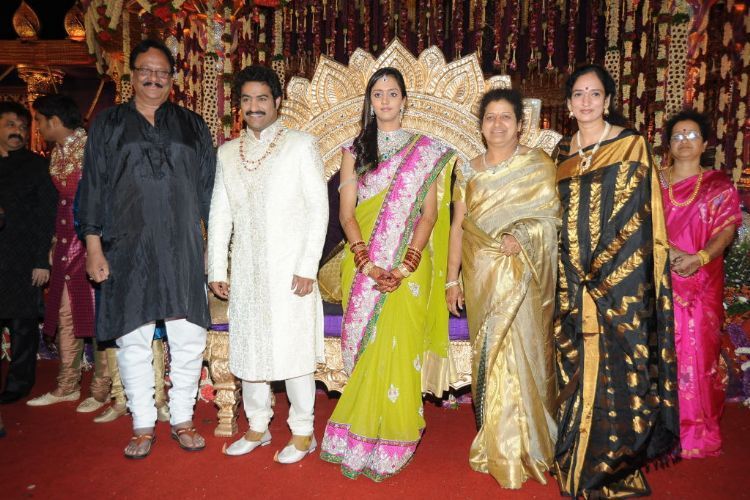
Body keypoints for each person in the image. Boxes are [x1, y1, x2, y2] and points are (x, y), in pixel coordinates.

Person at [78, 38, 216, 459]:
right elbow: (93, 187)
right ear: (133, 75)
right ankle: (141, 423)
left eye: (162, 72)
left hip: (182, 246)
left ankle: (182, 419)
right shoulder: (108, 124)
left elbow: (211, 193)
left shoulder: (193, 125)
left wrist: (213, 249)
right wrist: (93, 246)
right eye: (146, 70)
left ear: (173, 78)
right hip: (126, 246)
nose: (154, 78)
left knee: (188, 336)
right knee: (133, 338)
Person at [320, 67, 457, 481]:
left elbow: (429, 214)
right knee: (369, 349)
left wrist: (406, 264)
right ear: (370, 101)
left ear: (404, 100)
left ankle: (394, 436)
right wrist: (368, 263)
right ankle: (359, 432)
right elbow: (347, 214)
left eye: (392, 93)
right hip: (364, 264)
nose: (385, 101)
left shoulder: (426, 151)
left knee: (402, 347)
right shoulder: (353, 150)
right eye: (377, 94)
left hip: (410, 267)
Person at [552, 64, 679, 497]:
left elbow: (637, 216)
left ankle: (608, 467)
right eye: (579, 94)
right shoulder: (560, 155)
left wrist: (598, 270)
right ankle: (576, 456)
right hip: (568, 282)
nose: (586, 101)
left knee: (617, 370)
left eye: (595, 93)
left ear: (607, 101)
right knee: (574, 366)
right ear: (568, 104)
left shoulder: (630, 145)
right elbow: (553, 217)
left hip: (616, 282)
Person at [207, 65, 328, 464]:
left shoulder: (300, 145)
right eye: (246, 99)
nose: (254, 107)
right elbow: (220, 214)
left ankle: (303, 432)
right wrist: (217, 269)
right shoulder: (227, 153)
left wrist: (307, 266)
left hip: (291, 270)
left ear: (277, 102)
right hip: (247, 269)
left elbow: (318, 209)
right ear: (239, 106)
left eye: (262, 98)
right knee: (249, 349)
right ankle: (257, 426)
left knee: (294, 351)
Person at [445, 88, 560, 489]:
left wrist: (523, 234)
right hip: (482, 277)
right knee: (491, 357)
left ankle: (531, 444)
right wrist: (452, 279)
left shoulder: (538, 164)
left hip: (524, 274)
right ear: (480, 126)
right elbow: (458, 227)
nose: (497, 124)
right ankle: (497, 442)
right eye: (490, 117)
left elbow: (551, 220)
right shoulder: (467, 169)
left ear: (520, 124)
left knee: (524, 353)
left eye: (505, 117)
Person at [660, 110, 741, 458]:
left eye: (692, 134)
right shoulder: (654, 183)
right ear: (668, 144)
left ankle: (695, 432)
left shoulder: (719, 186)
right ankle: (658, 430)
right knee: (660, 351)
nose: (684, 141)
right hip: (659, 277)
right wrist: (665, 252)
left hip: (702, 280)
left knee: (698, 352)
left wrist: (700, 258)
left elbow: (727, 230)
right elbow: (638, 224)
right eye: (677, 136)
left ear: (705, 143)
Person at [25, 94, 109, 413]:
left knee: (95, 312)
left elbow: (102, 198)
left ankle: (101, 389)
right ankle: (67, 385)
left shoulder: (92, 148)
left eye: (39, 121)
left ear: (55, 121)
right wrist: (53, 241)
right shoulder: (57, 151)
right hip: (63, 240)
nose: (38, 128)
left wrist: (96, 244)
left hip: (90, 240)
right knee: (64, 312)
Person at [0, 101, 57, 404]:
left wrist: (40, 260)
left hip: (22, 259)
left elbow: (47, 215)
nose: (18, 131)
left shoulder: (36, 166)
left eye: (23, 127)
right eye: (10, 125)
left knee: (23, 326)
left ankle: (18, 385)